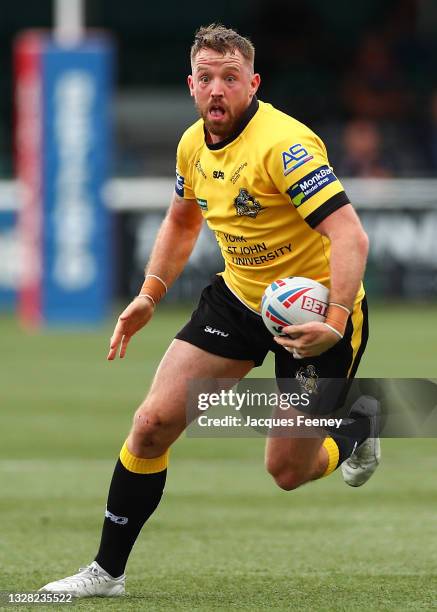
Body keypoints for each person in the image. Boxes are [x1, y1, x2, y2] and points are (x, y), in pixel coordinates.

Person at [40, 24, 380, 598]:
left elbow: (351, 237)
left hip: (314, 317)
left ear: (253, 83)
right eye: (206, 78)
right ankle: (106, 573)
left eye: (229, 78)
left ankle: (357, 427)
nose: (216, 89)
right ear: (191, 85)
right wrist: (149, 295)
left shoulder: (284, 146)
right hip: (241, 299)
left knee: (287, 472)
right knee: (151, 425)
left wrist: (336, 322)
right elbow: (181, 220)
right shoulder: (192, 144)